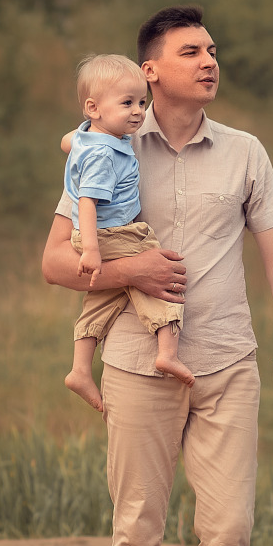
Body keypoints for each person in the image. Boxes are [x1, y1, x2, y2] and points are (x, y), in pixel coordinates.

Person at [41, 6, 273, 546]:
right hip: (139, 366)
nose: (209, 60)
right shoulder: (108, 145)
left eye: (213, 49)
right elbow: (54, 263)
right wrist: (130, 271)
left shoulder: (246, 152)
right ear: (151, 69)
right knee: (138, 531)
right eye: (191, 50)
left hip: (229, 363)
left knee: (228, 530)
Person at [61, 53, 193, 413]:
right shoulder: (105, 155)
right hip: (110, 232)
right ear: (94, 108)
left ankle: (79, 370)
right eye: (127, 103)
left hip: (96, 235)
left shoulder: (88, 136)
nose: (138, 111)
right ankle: (167, 352)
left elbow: (66, 142)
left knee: (102, 298)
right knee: (159, 270)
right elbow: (87, 201)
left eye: (141, 102)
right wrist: (91, 250)